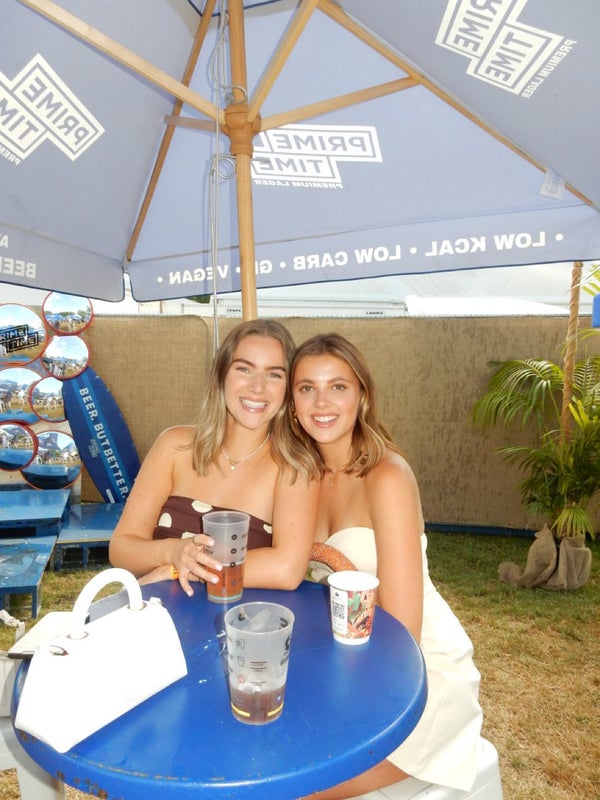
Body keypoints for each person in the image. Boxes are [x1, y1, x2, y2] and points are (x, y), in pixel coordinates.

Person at [291, 333, 483, 798]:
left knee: (300, 789)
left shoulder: (387, 477)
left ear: (362, 396)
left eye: (338, 386)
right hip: (343, 659)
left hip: (415, 673)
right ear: (291, 403)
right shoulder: (301, 477)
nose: (322, 402)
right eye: (307, 388)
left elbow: (404, 629)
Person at [109, 320, 320, 595]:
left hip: (239, 618)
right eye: (244, 369)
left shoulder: (294, 468)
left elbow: (287, 570)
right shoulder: (174, 446)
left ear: (287, 388)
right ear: (221, 374)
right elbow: (121, 548)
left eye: (274, 374)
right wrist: (174, 552)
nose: (257, 387)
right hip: (153, 614)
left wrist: (183, 570)